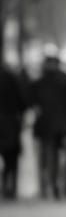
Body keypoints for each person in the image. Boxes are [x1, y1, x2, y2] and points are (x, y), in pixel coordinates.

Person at [31, 52, 66, 201]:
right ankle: (65, 189)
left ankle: (50, 187)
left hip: (46, 127)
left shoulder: (39, 82)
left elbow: (32, 103)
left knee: (48, 158)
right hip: (65, 125)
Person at [0, 58, 26, 200]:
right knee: (12, 158)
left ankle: (5, 186)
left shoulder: (11, 77)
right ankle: (11, 188)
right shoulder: (11, 78)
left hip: (8, 122)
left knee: (7, 156)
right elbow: (22, 101)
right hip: (10, 122)